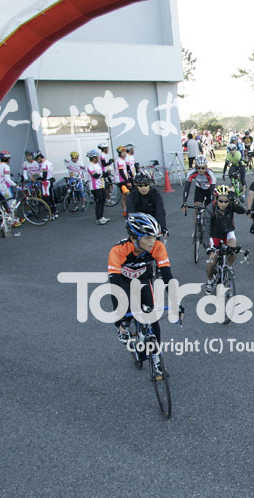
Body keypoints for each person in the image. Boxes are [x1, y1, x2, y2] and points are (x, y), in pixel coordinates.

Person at [108, 213, 172, 375]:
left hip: (143, 279)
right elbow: (115, 286)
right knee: (125, 307)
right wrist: (120, 319)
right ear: (133, 238)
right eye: (148, 238)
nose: (152, 242)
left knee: (153, 319)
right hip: (123, 281)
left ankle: (156, 358)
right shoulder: (118, 250)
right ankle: (124, 327)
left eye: (154, 237)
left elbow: (167, 275)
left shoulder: (157, 246)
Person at [203, 185, 246, 295]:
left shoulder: (231, 205)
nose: (223, 204)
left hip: (227, 232)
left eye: (226, 201)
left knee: (233, 249)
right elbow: (206, 228)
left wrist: (235, 200)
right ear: (216, 199)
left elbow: (243, 210)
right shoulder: (209, 209)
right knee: (211, 261)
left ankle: (229, 268)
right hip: (214, 235)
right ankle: (210, 281)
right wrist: (208, 247)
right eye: (221, 201)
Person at [126, 171, 167, 236]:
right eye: (140, 186)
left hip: (153, 220)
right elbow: (130, 213)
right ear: (136, 186)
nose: (143, 188)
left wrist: (163, 228)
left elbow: (160, 211)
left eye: (145, 185)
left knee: (155, 239)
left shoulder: (155, 194)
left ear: (149, 184)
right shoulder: (132, 196)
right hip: (138, 221)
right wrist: (131, 230)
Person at [85, 150, 109, 225]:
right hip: (95, 187)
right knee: (99, 202)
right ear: (93, 158)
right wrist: (104, 175)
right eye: (97, 157)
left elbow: (101, 173)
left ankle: (101, 217)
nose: (98, 158)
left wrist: (106, 173)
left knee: (102, 201)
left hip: (101, 185)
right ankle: (98, 219)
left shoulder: (97, 165)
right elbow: (95, 175)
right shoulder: (90, 166)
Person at [0, 151, 19, 223]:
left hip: (0, 186)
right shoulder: (6, 166)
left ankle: (15, 219)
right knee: (11, 204)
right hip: (5, 187)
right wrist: (15, 185)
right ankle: (13, 221)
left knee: (9, 203)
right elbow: (7, 179)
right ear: (8, 159)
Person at [34, 152, 58, 219]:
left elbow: (44, 176)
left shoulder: (44, 164)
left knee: (46, 198)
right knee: (50, 198)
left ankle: (51, 214)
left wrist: (36, 178)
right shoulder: (48, 162)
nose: (37, 162)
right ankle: (54, 212)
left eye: (37, 160)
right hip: (50, 181)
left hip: (46, 182)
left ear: (39, 158)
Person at [114, 146, 132, 217]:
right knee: (127, 194)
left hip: (123, 180)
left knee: (124, 196)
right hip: (121, 181)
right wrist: (127, 181)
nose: (125, 153)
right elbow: (121, 172)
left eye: (125, 152)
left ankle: (125, 211)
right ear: (119, 153)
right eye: (123, 152)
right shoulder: (119, 161)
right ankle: (127, 210)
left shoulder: (122, 160)